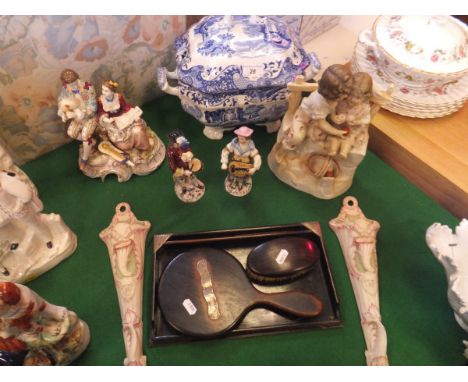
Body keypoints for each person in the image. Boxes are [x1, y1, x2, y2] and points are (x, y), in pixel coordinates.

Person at [57, 69, 97, 169]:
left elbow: (93, 107)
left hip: (89, 118)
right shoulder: (66, 89)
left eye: (74, 83)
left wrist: (83, 113)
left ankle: (85, 159)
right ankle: (91, 143)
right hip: (76, 117)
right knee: (71, 133)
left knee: (85, 136)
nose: (71, 87)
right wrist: (63, 112)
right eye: (69, 85)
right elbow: (62, 101)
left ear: (77, 79)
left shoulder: (87, 86)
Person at [97, 80, 151, 152]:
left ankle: (142, 146)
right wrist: (106, 119)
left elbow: (125, 107)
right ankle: (128, 146)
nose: (103, 92)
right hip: (112, 121)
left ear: (112, 91)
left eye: (106, 91)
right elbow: (101, 112)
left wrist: (133, 113)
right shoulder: (101, 100)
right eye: (102, 90)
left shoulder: (118, 97)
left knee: (138, 129)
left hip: (123, 116)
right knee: (122, 143)